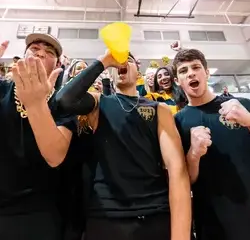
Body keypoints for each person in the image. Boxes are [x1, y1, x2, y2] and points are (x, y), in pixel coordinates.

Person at [56, 51, 191, 240]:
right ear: (110, 73)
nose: (121, 62)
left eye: (127, 60)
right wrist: (104, 61)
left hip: (154, 214)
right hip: (106, 216)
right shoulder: (98, 104)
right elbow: (64, 100)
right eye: (117, 62)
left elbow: (178, 171)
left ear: (139, 72)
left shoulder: (159, 109)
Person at [0, 34, 77, 240]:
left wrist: (36, 104)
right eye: (34, 48)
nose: (41, 52)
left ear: (58, 65)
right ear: (22, 56)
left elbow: (55, 155)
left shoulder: (64, 103)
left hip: (40, 213)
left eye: (50, 52)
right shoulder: (2, 90)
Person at [173, 48, 250, 240]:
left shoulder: (241, 105)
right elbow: (184, 180)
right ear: (177, 81)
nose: (190, 73)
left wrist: (249, 121)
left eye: (196, 67)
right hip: (211, 218)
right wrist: (193, 154)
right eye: (183, 71)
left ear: (206, 73)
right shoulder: (176, 122)